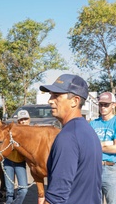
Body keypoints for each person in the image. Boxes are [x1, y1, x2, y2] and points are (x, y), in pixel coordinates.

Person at [39, 74, 102, 204]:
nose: (50, 100)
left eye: (56, 96)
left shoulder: (68, 137)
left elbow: (56, 197)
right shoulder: (88, 130)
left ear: (75, 101)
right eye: (51, 95)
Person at [90, 92, 116, 204]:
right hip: (94, 168)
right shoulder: (92, 124)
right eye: (101, 104)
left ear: (113, 105)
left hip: (110, 169)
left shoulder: (115, 123)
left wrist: (96, 145)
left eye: (106, 104)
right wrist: (107, 143)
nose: (103, 107)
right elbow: (87, 146)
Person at [3, 110, 29, 204]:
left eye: (25, 119)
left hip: (20, 163)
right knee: (9, 192)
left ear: (29, 120)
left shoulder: (32, 133)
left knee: (23, 190)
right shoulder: (12, 131)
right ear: (18, 121)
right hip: (8, 161)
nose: (23, 121)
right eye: (21, 120)